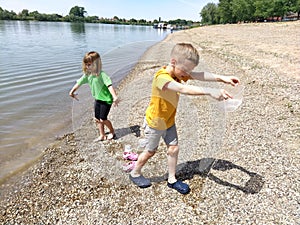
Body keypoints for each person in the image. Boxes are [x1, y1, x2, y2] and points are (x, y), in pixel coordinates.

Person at [129, 43, 240, 194]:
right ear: (173, 62)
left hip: (169, 121)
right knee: (150, 151)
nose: (188, 74)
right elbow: (182, 88)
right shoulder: (161, 78)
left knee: (173, 148)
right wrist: (210, 92)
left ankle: (172, 179)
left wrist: (223, 78)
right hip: (155, 123)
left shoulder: (178, 72)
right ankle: (135, 173)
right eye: (186, 70)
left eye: (190, 70)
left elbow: (199, 75)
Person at [69, 51, 119, 141]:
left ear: (97, 64)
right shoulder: (87, 75)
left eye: (90, 64)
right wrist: (72, 91)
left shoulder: (102, 74)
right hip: (97, 99)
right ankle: (102, 135)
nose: (88, 66)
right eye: (86, 64)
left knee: (103, 119)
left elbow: (109, 85)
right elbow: (79, 83)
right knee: (97, 119)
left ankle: (112, 131)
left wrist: (115, 97)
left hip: (106, 100)